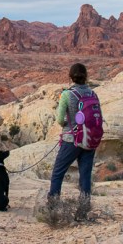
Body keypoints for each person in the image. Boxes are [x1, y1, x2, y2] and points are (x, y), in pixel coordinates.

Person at [47, 62, 101, 204]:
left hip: (71, 139)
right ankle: (83, 208)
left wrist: (67, 123)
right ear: (86, 77)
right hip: (89, 139)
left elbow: (59, 120)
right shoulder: (93, 93)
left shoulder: (67, 94)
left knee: (58, 173)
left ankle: (53, 207)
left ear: (70, 77)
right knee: (85, 176)